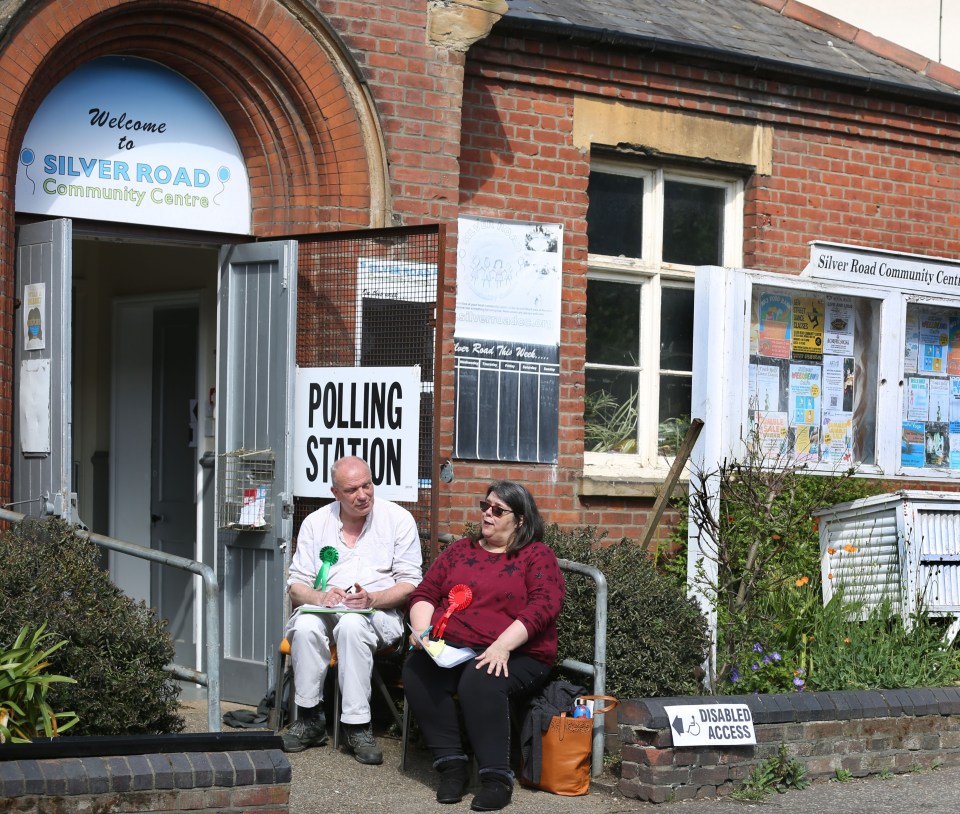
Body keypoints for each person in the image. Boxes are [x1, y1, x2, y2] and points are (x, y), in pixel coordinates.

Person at [403, 481, 565, 811]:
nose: (487, 514)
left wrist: (503, 646)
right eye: (485, 506)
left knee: (481, 677)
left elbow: (544, 605)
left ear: (520, 520)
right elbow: (425, 593)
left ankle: (496, 778)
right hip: (455, 647)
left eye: (498, 510)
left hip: (520, 653)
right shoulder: (461, 550)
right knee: (418, 669)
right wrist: (422, 632)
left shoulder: (536, 555)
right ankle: (452, 768)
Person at [281, 455, 423, 764]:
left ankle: (358, 725)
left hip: (378, 615)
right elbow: (296, 587)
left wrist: (373, 598)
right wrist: (320, 597)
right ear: (335, 493)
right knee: (304, 626)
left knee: (351, 626)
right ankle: (309, 718)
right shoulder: (315, 523)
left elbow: (411, 583)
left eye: (367, 486)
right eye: (352, 490)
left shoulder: (398, 520)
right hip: (326, 611)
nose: (362, 495)